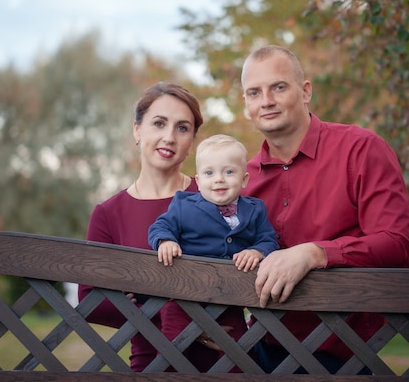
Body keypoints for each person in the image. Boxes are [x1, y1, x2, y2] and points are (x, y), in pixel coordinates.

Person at [239, 45, 409, 374]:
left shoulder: (361, 149)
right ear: (246, 103)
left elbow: (398, 244)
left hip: (347, 358)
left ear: (305, 92)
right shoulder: (242, 181)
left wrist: (316, 253)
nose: (266, 101)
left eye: (278, 87)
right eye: (254, 92)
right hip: (257, 352)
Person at [77, 81, 204, 372]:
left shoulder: (214, 198)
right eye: (159, 123)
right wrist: (188, 322)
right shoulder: (108, 213)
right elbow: (90, 299)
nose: (169, 137)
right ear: (137, 130)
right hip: (151, 364)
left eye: (182, 128)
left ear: (192, 141)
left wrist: (139, 295)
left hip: (227, 359)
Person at [148, 134, 279, 372]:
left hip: (230, 300)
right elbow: (160, 226)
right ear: (198, 180)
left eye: (229, 172)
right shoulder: (183, 205)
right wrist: (165, 241)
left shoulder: (255, 209)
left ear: (244, 178)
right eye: (209, 173)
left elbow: (269, 239)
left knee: (240, 357)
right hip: (184, 299)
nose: (218, 179)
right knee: (170, 357)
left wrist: (257, 250)